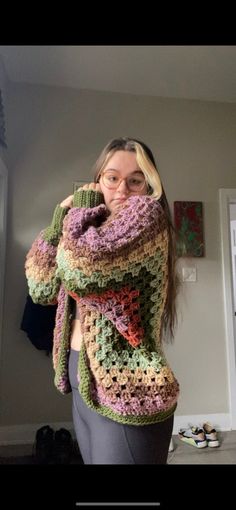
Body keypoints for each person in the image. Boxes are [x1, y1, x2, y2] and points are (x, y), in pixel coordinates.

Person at [25, 137, 180, 464]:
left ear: (149, 186)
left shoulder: (146, 216)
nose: (122, 188)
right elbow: (41, 288)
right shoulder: (87, 232)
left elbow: (83, 270)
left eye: (135, 180)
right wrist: (57, 225)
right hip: (82, 376)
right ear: (99, 181)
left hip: (128, 388)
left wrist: (79, 208)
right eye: (112, 177)